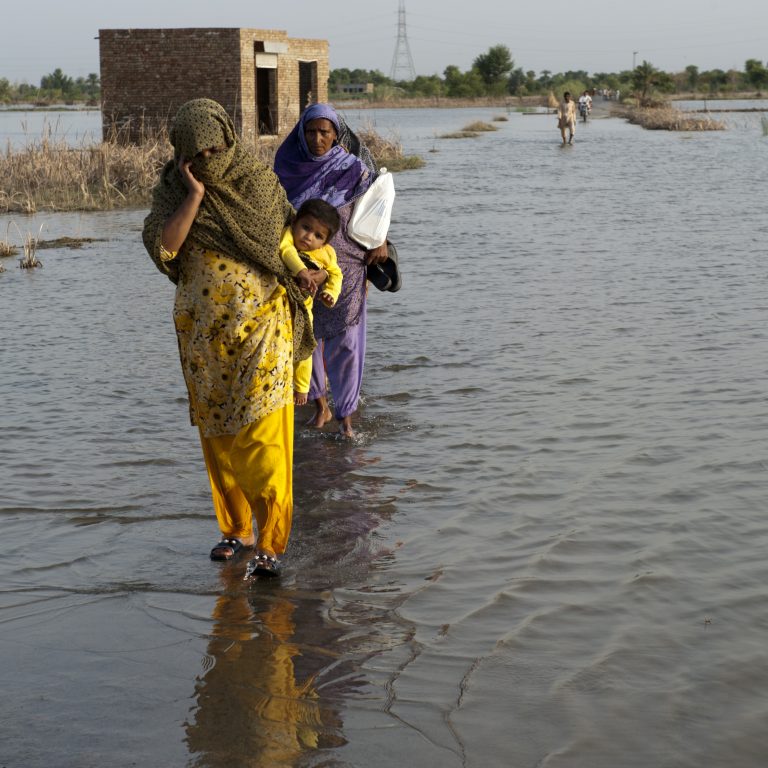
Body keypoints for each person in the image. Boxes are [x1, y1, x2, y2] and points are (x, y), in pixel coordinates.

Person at [142, 98, 319, 577]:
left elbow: (285, 243)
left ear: (229, 138)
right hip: (204, 340)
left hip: (263, 330)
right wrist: (194, 195)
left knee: (261, 440)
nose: (208, 159)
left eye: (215, 147)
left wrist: (308, 274)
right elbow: (166, 248)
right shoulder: (170, 191)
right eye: (196, 154)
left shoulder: (258, 182)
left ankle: (272, 541)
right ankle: (237, 529)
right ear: (181, 152)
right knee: (220, 438)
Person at [274, 103, 389, 438]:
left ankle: (347, 416)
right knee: (304, 337)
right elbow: (275, 219)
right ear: (301, 133)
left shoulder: (352, 168)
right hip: (300, 269)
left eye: (325, 132)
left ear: (336, 135)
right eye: (311, 131)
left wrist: (381, 241)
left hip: (347, 269)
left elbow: (373, 211)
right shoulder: (285, 166)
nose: (317, 138)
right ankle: (320, 405)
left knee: (348, 342)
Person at [278, 198, 343, 406]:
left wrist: (331, 293)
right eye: (305, 228)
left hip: (305, 307)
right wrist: (301, 271)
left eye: (318, 236)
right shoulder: (287, 234)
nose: (308, 237)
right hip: (279, 303)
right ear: (295, 222)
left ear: (325, 242)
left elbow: (336, 274)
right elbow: (285, 250)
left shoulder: (327, 253)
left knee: (305, 347)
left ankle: (302, 388)